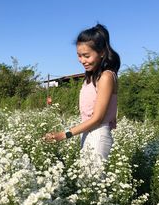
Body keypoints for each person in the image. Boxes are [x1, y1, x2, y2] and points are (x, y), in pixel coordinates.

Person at [44, 23, 120, 160]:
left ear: (102, 52)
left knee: (93, 180)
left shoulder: (106, 77)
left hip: (98, 135)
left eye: (86, 55)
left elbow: (97, 119)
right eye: (79, 56)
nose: (82, 60)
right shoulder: (91, 76)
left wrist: (63, 135)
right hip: (88, 133)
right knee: (86, 179)